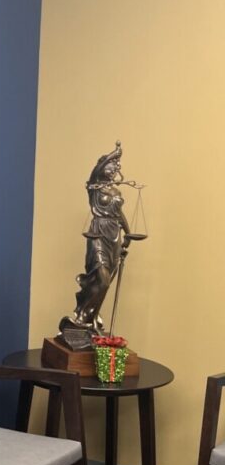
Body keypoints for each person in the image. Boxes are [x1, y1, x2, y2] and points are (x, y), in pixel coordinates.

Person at [64, 140, 146, 334]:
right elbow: (97, 170)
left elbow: (119, 214)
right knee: (102, 279)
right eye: (110, 165)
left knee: (107, 282)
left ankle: (92, 319)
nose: (114, 169)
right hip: (98, 234)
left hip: (114, 235)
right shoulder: (94, 187)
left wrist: (128, 233)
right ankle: (82, 316)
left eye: (116, 166)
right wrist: (115, 153)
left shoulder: (116, 191)